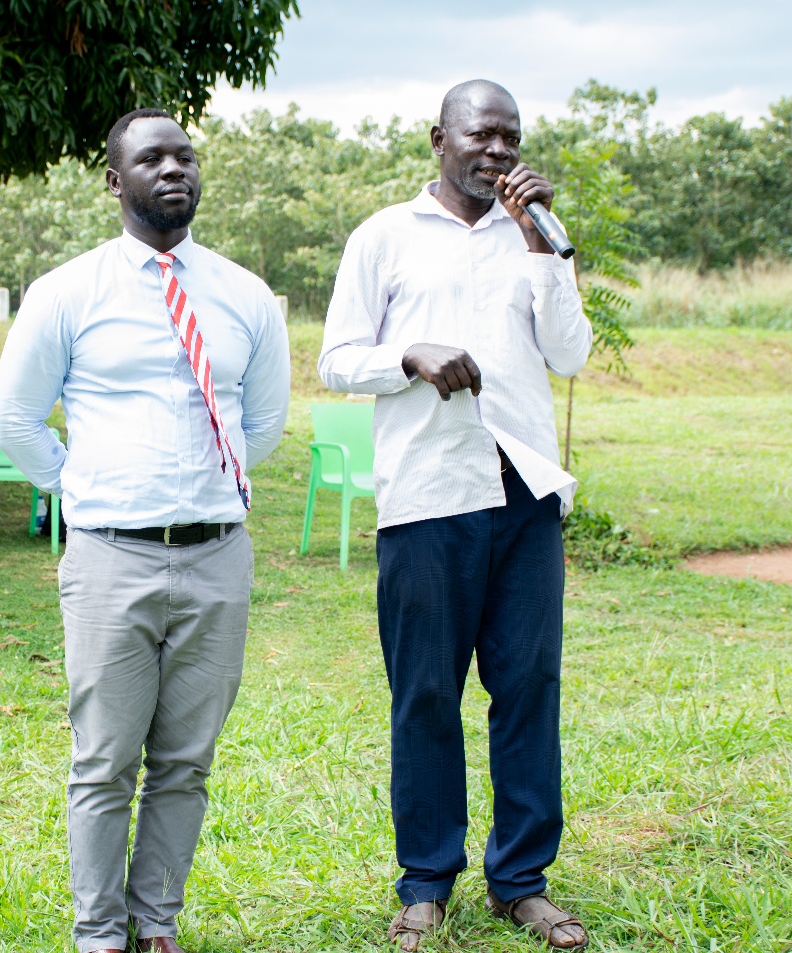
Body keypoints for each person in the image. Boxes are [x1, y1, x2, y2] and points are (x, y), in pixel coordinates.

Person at [0, 108, 290, 953]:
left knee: (186, 760)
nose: (174, 170)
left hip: (218, 556)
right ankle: (99, 934)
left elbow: (263, 422)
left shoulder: (244, 295)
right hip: (110, 560)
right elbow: (14, 419)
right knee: (106, 760)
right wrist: (83, 487)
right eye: (151, 159)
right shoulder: (67, 292)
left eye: (185, 156)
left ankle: (156, 923)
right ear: (116, 183)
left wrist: (205, 485)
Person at [319, 80, 593, 951]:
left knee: (527, 689)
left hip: (524, 495)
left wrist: (544, 252)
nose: (499, 151)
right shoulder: (384, 236)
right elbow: (335, 359)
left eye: (511, 136)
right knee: (427, 694)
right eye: (482, 134)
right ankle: (426, 881)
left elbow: (571, 353)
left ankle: (521, 879)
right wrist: (408, 354)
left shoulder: (535, 238)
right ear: (439, 138)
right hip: (429, 495)